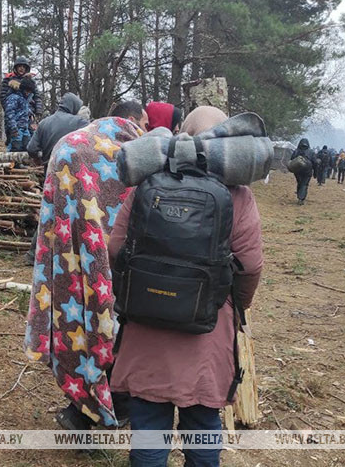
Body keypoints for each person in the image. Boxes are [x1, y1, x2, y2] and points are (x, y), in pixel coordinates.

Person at [109, 107, 264, 467]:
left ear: (183, 133)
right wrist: (234, 307)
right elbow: (251, 265)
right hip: (205, 329)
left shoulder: (148, 182)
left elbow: (116, 248)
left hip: (146, 324)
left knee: (148, 421)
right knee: (203, 422)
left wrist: (133, 294)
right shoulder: (238, 193)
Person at [24, 100, 147, 431]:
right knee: (120, 317)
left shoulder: (71, 145)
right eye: (143, 121)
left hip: (73, 250)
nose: (144, 128)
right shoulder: (142, 151)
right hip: (127, 256)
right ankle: (113, 401)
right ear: (132, 118)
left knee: (77, 310)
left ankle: (82, 405)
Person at [24, 92, 89, 264]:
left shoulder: (45, 123)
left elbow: (31, 148)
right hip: (74, 175)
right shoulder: (80, 123)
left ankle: (33, 254)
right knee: (76, 213)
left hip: (50, 173)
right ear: (74, 106)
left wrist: (41, 160)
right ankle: (70, 256)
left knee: (49, 212)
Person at [0, 56, 44, 148]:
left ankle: (27, 161)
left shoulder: (30, 81)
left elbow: (37, 96)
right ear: (15, 67)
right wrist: (13, 111)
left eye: (24, 67)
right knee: (14, 141)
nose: (21, 68)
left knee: (29, 141)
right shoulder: (8, 79)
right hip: (14, 115)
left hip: (29, 115)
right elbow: (3, 97)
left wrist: (38, 110)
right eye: (19, 66)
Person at [3, 77, 36, 151]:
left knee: (27, 147)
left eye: (29, 91)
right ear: (22, 89)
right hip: (17, 128)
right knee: (15, 147)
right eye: (26, 90)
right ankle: (11, 161)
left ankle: (24, 162)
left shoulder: (25, 99)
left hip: (25, 127)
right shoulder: (13, 98)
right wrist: (13, 128)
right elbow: (9, 114)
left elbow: (25, 110)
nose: (27, 93)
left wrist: (31, 116)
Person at [290, 139, 317, 205]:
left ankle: (299, 196)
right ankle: (301, 198)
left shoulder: (296, 151)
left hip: (297, 171)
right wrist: (315, 172)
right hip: (307, 171)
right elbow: (315, 162)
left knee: (299, 183)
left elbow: (291, 160)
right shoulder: (311, 152)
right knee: (304, 184)